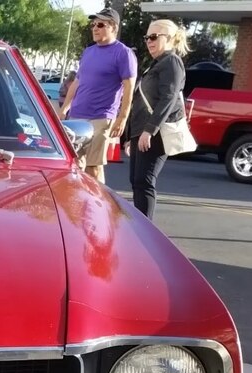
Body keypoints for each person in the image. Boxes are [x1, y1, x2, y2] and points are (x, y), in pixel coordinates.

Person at [59, 7, 136, 185]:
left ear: (113, 27)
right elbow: (77, 82)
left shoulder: (123, 53)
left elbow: (129, 86)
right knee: (74, 166)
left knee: (93, 167)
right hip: (76, 117)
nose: (95, 28)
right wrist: (64, 109)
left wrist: (122, 118)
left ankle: (98, 201)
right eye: (93, 24)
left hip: (101, 117)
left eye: (100, 25)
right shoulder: (89, 51)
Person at [124, 19, 189, 219]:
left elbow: (168, 97)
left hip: (155, 133)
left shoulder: (172, 62)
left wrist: (149, 130)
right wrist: (130, 136)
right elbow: (139, 101)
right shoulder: (156, 64)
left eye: (153, 37)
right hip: (141, 131)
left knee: (144, 181)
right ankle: (140, 225)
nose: (148, 42)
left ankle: (145, 228)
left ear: (169, 38)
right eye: (147, 37)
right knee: (136, 180)